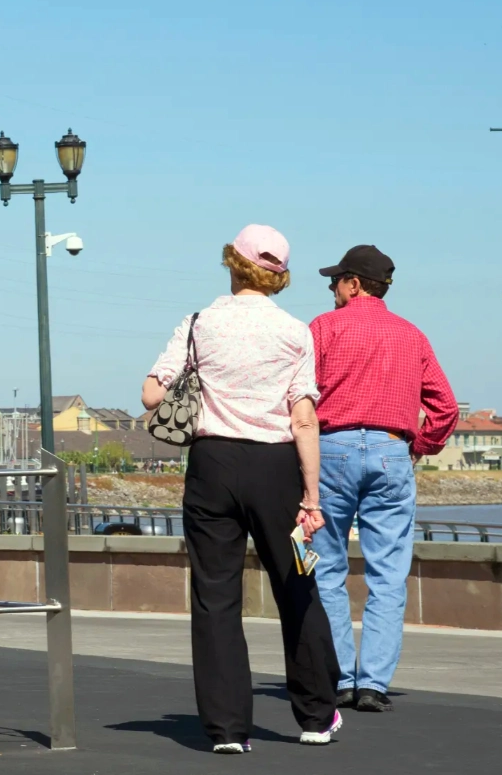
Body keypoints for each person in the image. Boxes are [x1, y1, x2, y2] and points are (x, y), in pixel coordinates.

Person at [141, 224, 341, 752]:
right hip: (275, 466)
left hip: (211, 463)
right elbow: (303, 418)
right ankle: (317, 717)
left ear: (233, 263)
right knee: (296, 583)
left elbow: (149, 395)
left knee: (214, 596)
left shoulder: (199, 323)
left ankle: (228, 729)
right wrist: (312, 497)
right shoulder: (297, 332)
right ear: (278, 277)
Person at [309, 245, 458, 713]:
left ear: (354, 284)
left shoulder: (323, 328)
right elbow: (445, 408)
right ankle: (373, 683)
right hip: (393, 450)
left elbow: (296, 394)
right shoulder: (412, 335)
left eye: (336, 280)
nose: (332, 289)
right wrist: (418, 447)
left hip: (331, 447)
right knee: (388, 573)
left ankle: (341, 679)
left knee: (327, 570)